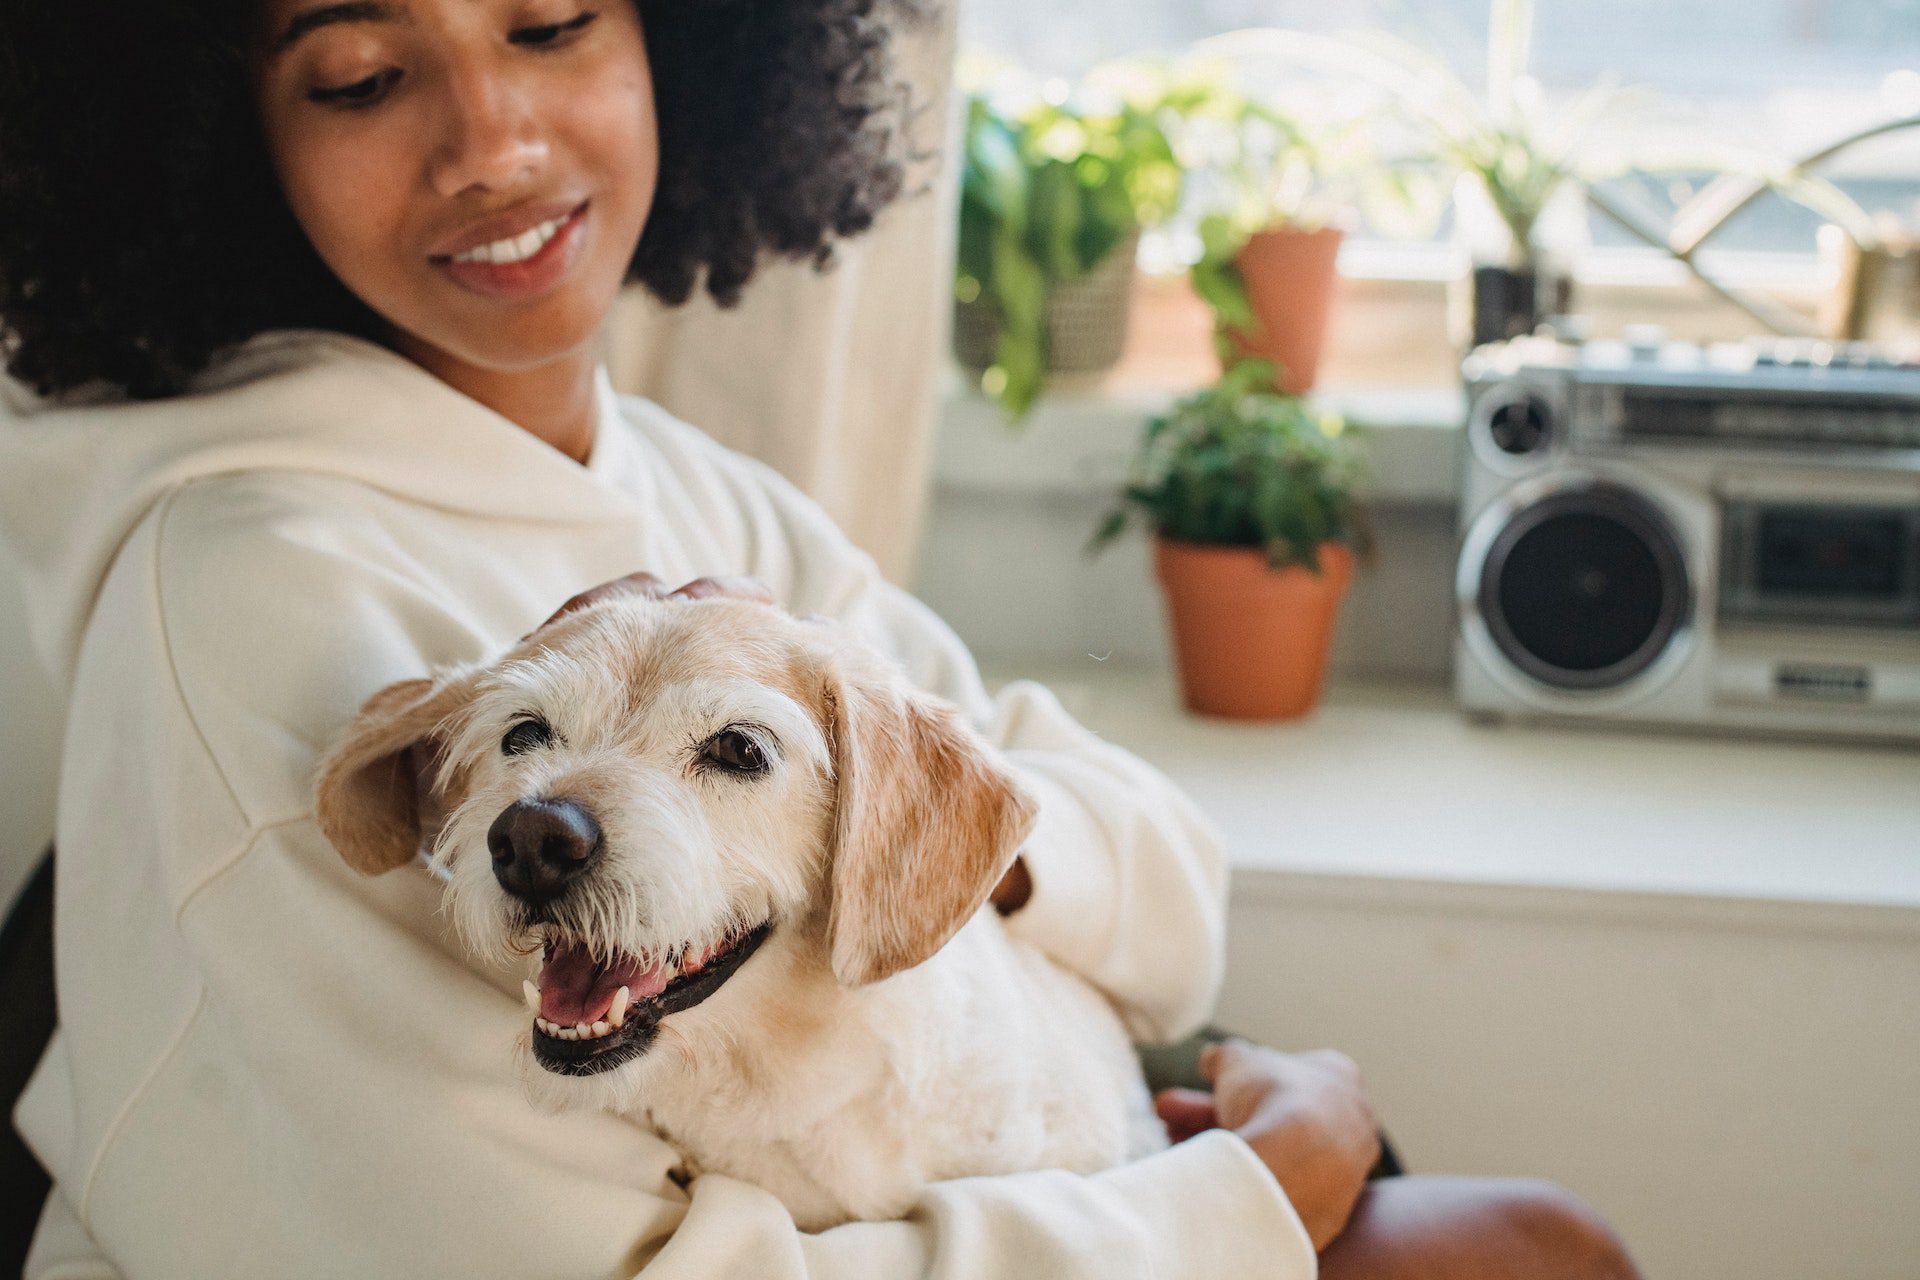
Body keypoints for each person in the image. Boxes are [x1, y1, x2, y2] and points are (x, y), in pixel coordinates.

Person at [0, 1, 1639, 1276]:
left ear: (682, 51)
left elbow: (1158, 888)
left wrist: (906, 827)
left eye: (555, 26)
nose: (491, 140)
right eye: (360, 73)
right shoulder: (247, 597)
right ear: (227, 132)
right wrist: (1236, 1211)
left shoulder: (712, 507)